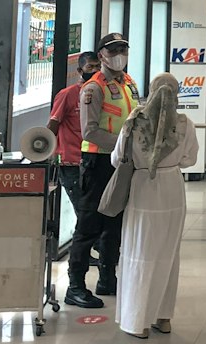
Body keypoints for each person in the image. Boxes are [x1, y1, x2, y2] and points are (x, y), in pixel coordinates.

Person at [112, 72, 198, 339]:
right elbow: (189, 160)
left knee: (139, 252)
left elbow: (117, 158)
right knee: (168, 254)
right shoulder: (184, 124)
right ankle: (164, 317)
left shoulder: (134, 122)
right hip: (172, 190)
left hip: (142, 190)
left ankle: (138, 320)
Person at [64, 33, 141, 310]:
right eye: (113, 50)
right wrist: (124, 145)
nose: (119, 54)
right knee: (89, 226)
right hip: (97, 163)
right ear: (101, 56)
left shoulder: (129, 83)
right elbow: (90, 131)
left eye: (123, 48)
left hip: (120, 163)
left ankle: (108, 278)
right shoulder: (93, 88)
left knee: (114, 224)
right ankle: (75, 287)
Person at [47, 50, 99, 215]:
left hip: (93, 161)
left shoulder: (101, 93)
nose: (95, 71)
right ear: (80, 70)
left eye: (98, 67)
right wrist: (46, 152)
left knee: (94, 213)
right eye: (90, 67)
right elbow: (52, 125)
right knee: (84, 214)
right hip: (72, 165)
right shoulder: (68, 95)